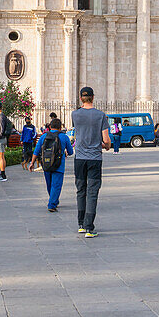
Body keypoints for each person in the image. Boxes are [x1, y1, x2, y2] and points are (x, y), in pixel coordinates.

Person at [71, 86, 111, 238]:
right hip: (94, 158)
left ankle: (81, 224)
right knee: (92, 192)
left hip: (79, 158)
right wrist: (105, 145)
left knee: (81, 189)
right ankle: (89, 227)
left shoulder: (75, 114)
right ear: (93, 97)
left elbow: (79, 133)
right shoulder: (101, 115)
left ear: (81, 98)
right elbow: (106, 140)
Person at [31, 117, 74, 211]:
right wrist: (65, 152)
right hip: (59, 165)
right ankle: (52, 204)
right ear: (60, 127)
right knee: (56, 185)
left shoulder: (43, 136)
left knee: (49, 184)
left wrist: (32, 163)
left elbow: (36, 150)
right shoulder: (64, 136)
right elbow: (71, 152)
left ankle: (54, 200)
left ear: (50, 126)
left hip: (46, 164)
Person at [0, 103, 12, 182]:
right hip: (2, 138)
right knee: (1, 157)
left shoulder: (0, 117)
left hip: (0, 139)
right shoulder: (2, 116)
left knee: (1, 157)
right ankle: (2, 174)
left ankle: (3, 175)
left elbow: (1, 129)